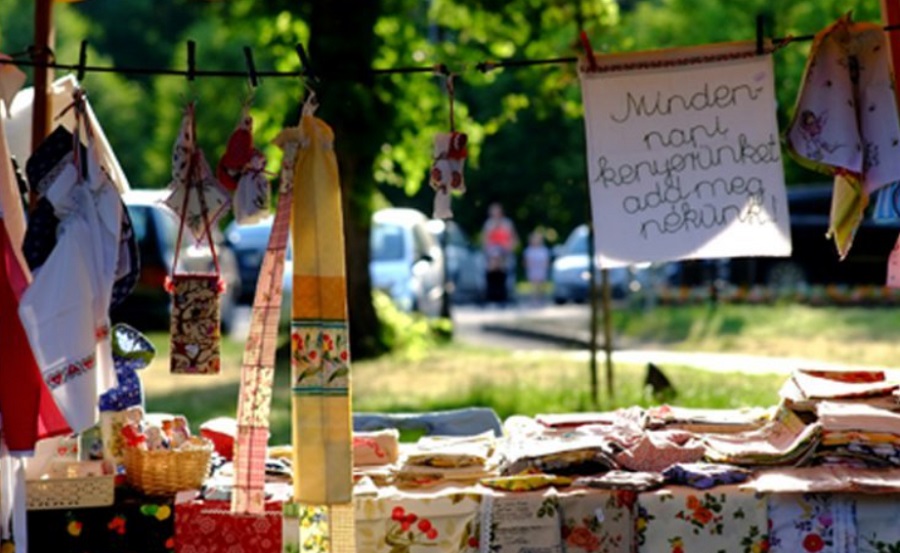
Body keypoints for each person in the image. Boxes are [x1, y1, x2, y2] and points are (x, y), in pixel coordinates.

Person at [481, 203, 518, 305]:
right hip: (492, 252)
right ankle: (491, 294)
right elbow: (485, 240)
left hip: (505, 252)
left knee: (503, 267)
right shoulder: (488, 224)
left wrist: (509, 249)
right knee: (492, 267)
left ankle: (503, 294)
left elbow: (513, 238)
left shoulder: (507, 223)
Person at [523, 230, 550, 305]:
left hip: (541, 269)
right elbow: (526, 261)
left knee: (541, 285)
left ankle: (541, 298)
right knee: (534, 285)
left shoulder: (544, 250)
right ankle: (534, 299)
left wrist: (545, 267)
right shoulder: (529, 250)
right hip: (533, 270)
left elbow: (546, 261)